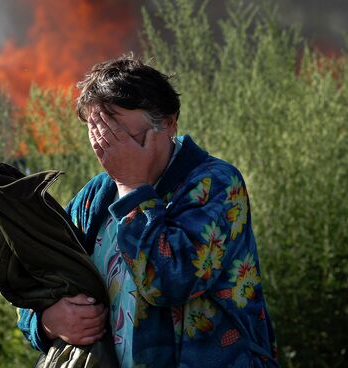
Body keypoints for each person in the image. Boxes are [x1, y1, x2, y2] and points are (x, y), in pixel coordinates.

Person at [17, 54, 278, 367]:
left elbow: (171, 283)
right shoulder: (93, 198)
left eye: (120, 134)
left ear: (168, 122)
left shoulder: (216, 184)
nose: (108, 148)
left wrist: (131, 188)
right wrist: (48, 321)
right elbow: (39, 277)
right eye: (98, 133)